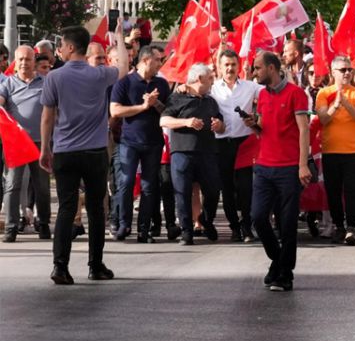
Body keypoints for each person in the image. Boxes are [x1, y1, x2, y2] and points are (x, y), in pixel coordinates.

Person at [39, 25, 128, 284]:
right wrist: (119, 37)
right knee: (95, 210)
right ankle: (96, 265)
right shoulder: (99, 74)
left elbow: (47, 117)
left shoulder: (54, 77)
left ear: (69, 47)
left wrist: (46, 148)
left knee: (67, 207)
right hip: (95, 151)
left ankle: (60, 266)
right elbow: (123, 65)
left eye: (61, 45)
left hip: (65, 151)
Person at [242, 51, 312, 292]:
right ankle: (278, 260)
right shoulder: (261, 95)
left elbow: (304, 130)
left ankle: (284, 274)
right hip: (263, 166)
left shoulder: (296, 93)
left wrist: (303, 164)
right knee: (258, 217)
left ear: (272, 68)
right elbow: (263, 130)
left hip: (289, 167)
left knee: (288, 223)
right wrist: (254, 125)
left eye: (257, 68)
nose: (254, 73)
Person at [108, 45, 170, 243]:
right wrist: (143, 106)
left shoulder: (162, 83)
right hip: (129, 141)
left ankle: (144, 229)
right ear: (145, 60)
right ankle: (124, 223)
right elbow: (115, 111)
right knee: (125, 182)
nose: (160, 63)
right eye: (157, 60)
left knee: (149, 186)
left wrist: (155, 104)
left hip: (153, 142)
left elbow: (168, 111)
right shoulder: (125, 83)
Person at [160, 63, 225, 245]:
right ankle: (187, 231)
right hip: (182, 152)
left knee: (212, 191)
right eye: (210, 78)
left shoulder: (211, 101)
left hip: (207, 153)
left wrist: (219, 126)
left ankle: (206, 219)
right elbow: (163, 120)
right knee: (182, 192)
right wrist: (186, 122)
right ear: (200, 79)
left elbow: (222, 124)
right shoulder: (177, 98)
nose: (213, 82)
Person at [316, 56, 355, 244]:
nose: (347, 73)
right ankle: (339, 226)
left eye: (349, 69)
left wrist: (346, 103)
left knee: (353, 190)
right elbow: (323, 119)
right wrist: (335, 104)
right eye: (343, 70)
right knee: (333, 191)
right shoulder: (324, 93)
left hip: (354, 151)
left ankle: (351, 227)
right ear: (333, 72)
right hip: (331, 150)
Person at [1, 46, 52, 241]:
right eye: (20, 59)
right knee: (12, 184)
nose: (24, 63)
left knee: (42, 186)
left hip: (41, 142)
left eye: (28, 59)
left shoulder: (46, 82)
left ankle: (44, 223)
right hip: (16, 143)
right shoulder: (8, 84)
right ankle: (11, 227)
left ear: (34, 61)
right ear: (15, 62)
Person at [211, 49, 262, 242]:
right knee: (227, 187)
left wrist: (257, 118)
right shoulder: (213, 88)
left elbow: (271, 94)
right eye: (226, 65)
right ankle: (234, 226)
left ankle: (247, 225)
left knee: (245, 187)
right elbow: (193, 91)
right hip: (221, 143)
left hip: (245, 143)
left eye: (233, 64)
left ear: (239, 66)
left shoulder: (250, 87)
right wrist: (183, 89)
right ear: (220, 67)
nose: (230, 68)